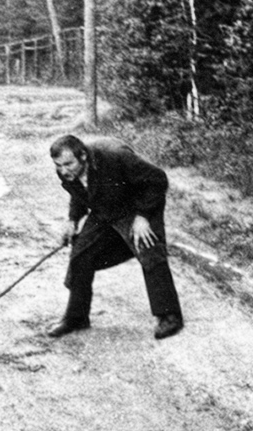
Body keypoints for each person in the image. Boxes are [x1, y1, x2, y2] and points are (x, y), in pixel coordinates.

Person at [47, 134, 183, 340]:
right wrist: (73, 220)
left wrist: (143, 216)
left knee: (148, 247)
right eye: (59, 165)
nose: (63, 170)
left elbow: (157, 180)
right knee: (81, 254)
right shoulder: (66, 171)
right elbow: (79, 192)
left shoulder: (115, 157)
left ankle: (169, 316)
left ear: (83, 156)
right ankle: (76, 318)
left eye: (68, 164)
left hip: (137, 205)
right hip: (106, 208)